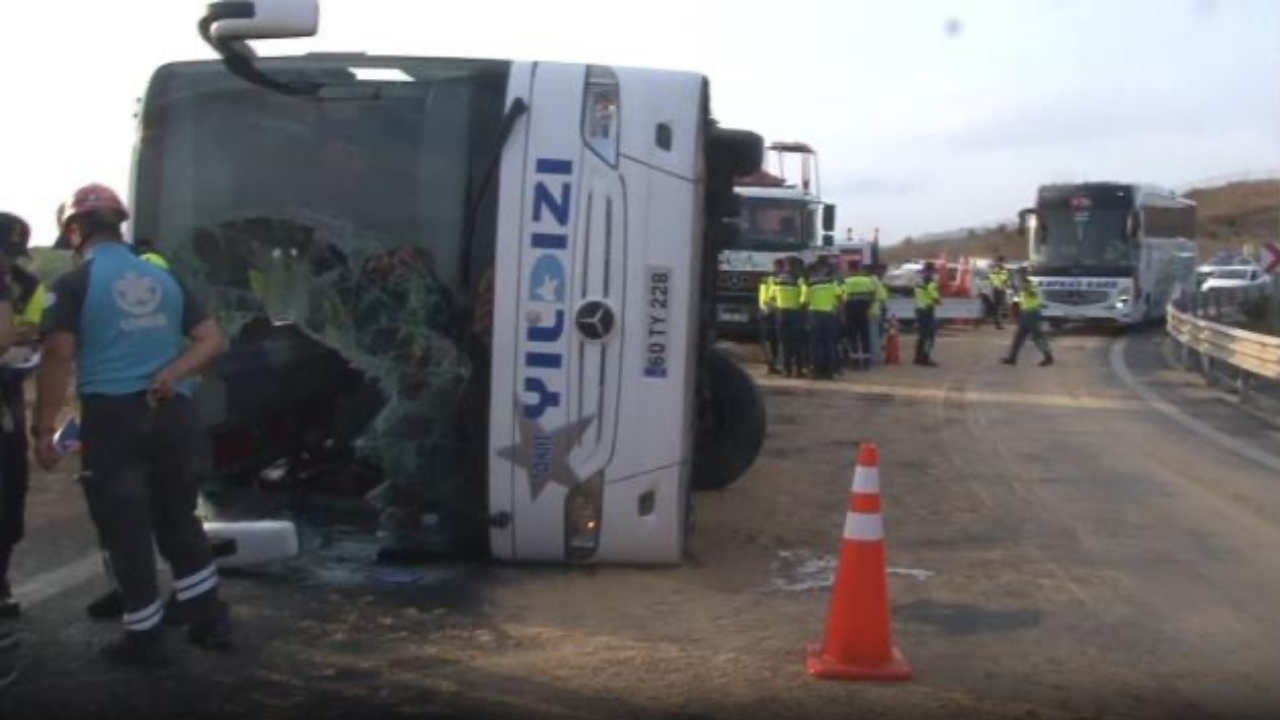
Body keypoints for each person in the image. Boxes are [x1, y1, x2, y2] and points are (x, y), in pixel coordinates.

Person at [33, 184, 231, 666]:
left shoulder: (74, 284)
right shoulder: (163, 277)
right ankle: (208, 618)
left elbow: (58, 353)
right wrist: (172, 373)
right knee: (176, 516)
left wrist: (44, 428)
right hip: (172, 412)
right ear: (119, 223)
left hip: (113, 416)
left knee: (124, 523)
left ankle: (144, 634)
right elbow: (211, 340)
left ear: (75, 230)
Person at [0, 213, 43, 620]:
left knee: (11, 487)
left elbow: (27, 329)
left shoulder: (24, 284)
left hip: (7, 394)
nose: (7, 264)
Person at [1001, 267, 1054, 367]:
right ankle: (1012, 358)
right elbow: (1017, 291)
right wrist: (1011, 282)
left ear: (1024, 275)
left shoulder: (1030, 284)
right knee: (1018, 337)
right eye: (1018, 274)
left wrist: (1024, 288)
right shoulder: (1022, 285)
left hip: (1032, 314)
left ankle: (1048, 357)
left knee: (1038, 338)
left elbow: (1032, 294)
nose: (1018, 276)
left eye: (1019, 274)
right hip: (1026, 314)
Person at [805, 260, 843, 380]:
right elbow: (839, 297)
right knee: (830, 344)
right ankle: (830, 372)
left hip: (814, 315)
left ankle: (816, 371)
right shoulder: (832, 282)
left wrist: (806, 317)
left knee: (815, 345)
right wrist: (840, 313)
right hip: (829, 315)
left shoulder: (810, 283)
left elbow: (805, 301)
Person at [770, 258, 806, 378]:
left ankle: (787, 371)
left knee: (784, 343)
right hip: (795, 313)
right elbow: (804, 295)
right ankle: (799, 370)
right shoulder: (799, 279)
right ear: (794, 267)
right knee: (797, 343)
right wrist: (800, 305)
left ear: (785, 266)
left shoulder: (777, 279)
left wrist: (777, 307)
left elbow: (771, 298)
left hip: (781, 313)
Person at [841, 261, 877, 371]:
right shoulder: (867, 280)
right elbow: (873, 294)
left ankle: (855, 362)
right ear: (859, 268)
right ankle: (866, 362)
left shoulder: (845, 281)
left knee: (853, 337)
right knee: (865, 336)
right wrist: (868, 305)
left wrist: (843, 313)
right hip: (864, 310)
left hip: (850, 310)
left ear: (850, 269)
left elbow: (842, 297)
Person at [914, 262, 942, 367]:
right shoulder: (930, 281)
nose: (934, 273)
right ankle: (926, 358)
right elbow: (934, 296)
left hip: (919, 309)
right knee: (930, 336)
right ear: (931, 271)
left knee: (922, 335)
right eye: (933, 271)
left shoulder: (918, 280)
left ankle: (917, 357)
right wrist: (939, 301)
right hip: (927, 310)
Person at [758, 261, 782, 374]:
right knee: (772, 340)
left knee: (769, 340)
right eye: (780, 268)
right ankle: (771, 364)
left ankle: (771, 364)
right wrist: (768, 308)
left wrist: (763, 308)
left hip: (765, 311)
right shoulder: (774, 280)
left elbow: (762, 296)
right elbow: (767, 297)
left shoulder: (766, 279)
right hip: (771, 312)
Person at [988, 256, 1011, 330]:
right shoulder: (996, 269)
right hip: (998, 290)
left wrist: (1006, 284)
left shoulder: (1003, 269)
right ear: (999, 261)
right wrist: (998, 286)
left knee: (999, 307)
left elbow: (1006, 279)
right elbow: (993, 279)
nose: (1003, 263)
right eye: (1002, 261)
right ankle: (997, 324)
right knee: (997, 308)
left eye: (1003, 261)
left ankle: (998, 323)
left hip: (1001, 289)